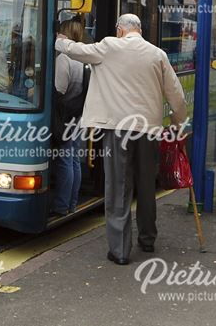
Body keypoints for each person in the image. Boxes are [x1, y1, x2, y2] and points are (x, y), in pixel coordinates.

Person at [54, 13, 187, 265]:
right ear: (138, 29)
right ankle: (147, 240)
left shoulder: (109, 46)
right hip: (149, 130)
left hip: (118, 130)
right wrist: (179, 123)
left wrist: (58, 40)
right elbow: (176, 94)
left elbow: (78, 50)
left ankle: (120, 250)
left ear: (121, 30)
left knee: (118, 187)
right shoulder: (157, 54)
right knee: (147, 186)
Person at [51, 17, 86, 216]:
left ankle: (61, 205)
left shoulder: (65, 58)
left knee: (64, 161)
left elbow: (59, 90)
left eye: (60, 32)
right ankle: (72, 203)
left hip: (64, 118)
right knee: (74, 160)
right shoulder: (82, 56)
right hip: (78, 116)